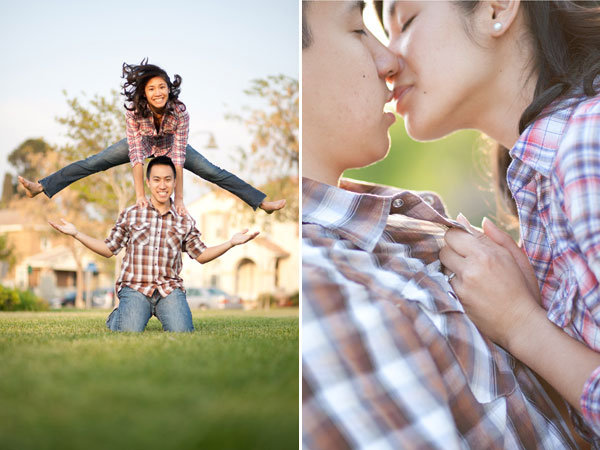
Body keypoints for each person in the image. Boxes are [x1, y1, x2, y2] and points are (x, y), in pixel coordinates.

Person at [301, 2, 576, 448]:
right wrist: (526, 326)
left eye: (405, 23)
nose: (390, 60)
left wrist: (530, 324)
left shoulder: (571, 158)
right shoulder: (329, 292)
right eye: (359, 30)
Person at [378, 0, 600, 444]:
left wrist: (521, 323)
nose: (388, 60)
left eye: (407, 23)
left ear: (497, 8)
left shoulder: (585, 146)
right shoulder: (543, 172)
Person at [18, 59, 285, 216]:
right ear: (144, 94)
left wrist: (179, 199)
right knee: (94, 162)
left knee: (212, 171)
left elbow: (178, 158)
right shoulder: (134, 112)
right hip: (143, 146)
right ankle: (41, 187)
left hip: (170, 147)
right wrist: (139, 196)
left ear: (169, 89)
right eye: (151, 88)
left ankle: (261, 202)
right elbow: (136, 156)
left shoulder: (180, 112)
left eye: (162, 87)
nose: (158, 92)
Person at [48, 156, 258, 332]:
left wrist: (231, 243)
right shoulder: (132, 214)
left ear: (175, 182)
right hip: (135, 288)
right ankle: (119, 315)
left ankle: (148, 312)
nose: (162, 185)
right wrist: (77, 234)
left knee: (183, 332)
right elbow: (108, 249)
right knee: (128, 331)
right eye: (156, 179)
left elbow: (201, 255)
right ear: (147, 182)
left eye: (168, 179)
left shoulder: (184, 219)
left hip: (169, 289)